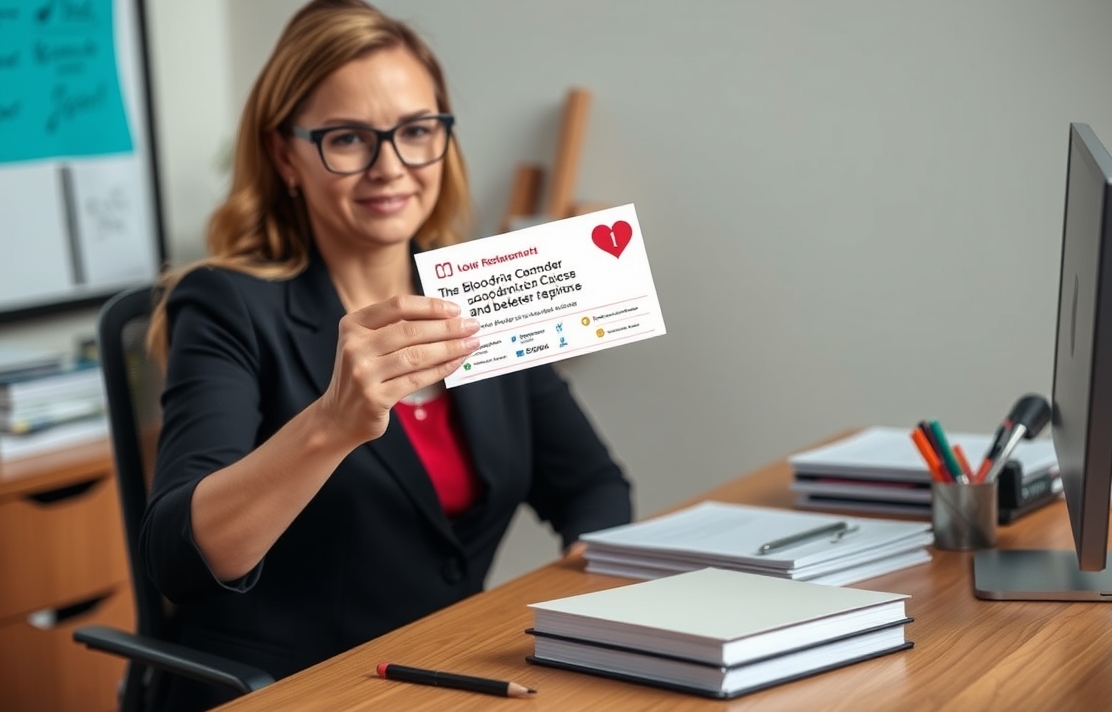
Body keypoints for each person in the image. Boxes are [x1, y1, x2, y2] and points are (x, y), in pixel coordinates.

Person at [140, 1, 633, 708]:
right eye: (347, 139)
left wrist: (587, 584)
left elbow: (592, 485)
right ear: (286, 155)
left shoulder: (481, 292)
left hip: (454, 676)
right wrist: (331, 424)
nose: (390, 166)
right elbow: (177, 558)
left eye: (415, 131)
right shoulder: (224, 305)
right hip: (297, 692)